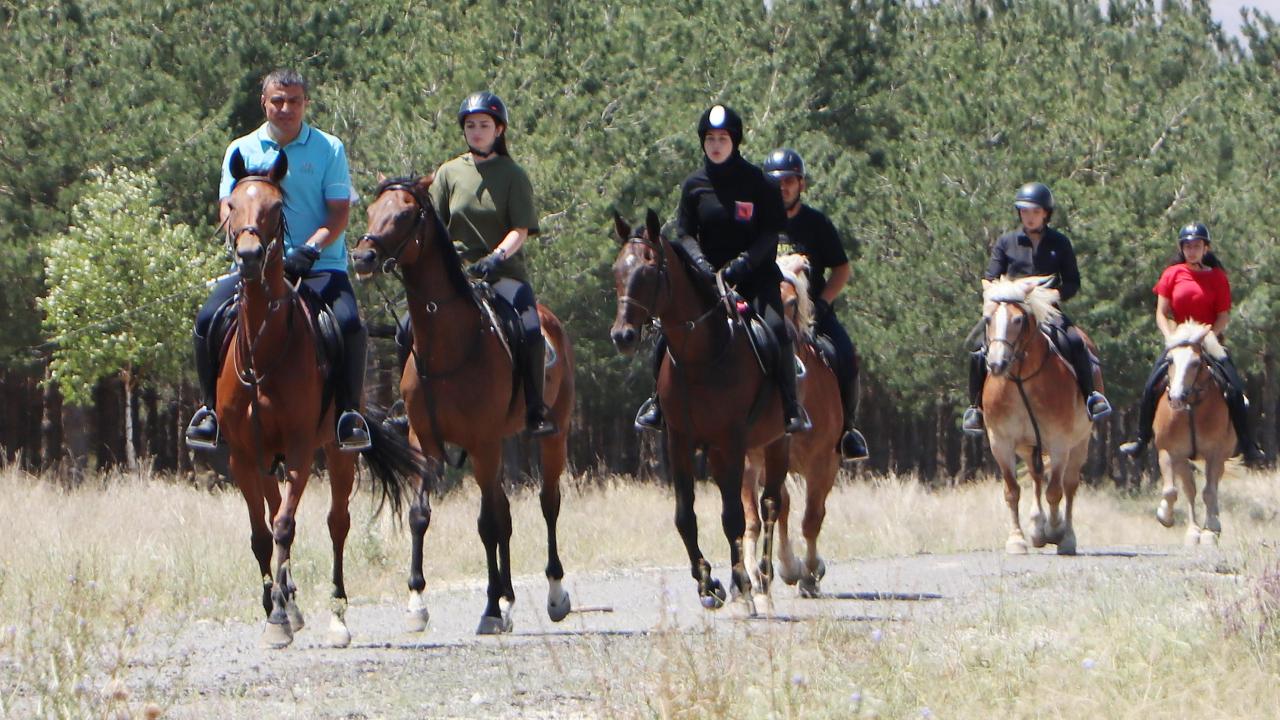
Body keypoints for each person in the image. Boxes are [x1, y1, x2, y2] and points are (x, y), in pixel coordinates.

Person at [186, 68, 370, 451]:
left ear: (305, 103)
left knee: (350, 324)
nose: (287, 108)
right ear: (264, 103)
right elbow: (227, 206)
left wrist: (311, 249)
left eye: (295, 101)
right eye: (278, 101)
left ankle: (349, 415)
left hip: (319, 267)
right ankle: (210, 412)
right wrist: (243, 242)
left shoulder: (329, 148)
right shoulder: (240, 149)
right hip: (256, 267)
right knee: (206, 321)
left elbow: (338, 212)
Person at [634, 105, 811, 435]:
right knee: (665, 334)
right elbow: (684, 233)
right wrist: (700, 263)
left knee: (779, 330)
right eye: (710, 138)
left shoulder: (759, 184)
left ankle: (790, 407)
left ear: (735, 142)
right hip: (704, 282)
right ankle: (657, 403)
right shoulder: (694, 186)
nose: (716, 145)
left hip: (754, 279)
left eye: (722, 138)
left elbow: (770, 232)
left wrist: (743, 263)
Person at [428, 91, 556, 437]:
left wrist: (496, 257)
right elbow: (435, 227)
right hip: (455, 277)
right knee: (409, 326)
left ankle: (535, 407)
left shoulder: (512, 174)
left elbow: (521, 229)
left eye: (484, 125)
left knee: (530, 327)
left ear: (499, 130)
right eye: (471, 126)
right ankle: (409, 404)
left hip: (502, 273)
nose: (477, 131)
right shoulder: (448, 173)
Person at [962, 182, 1112, 435]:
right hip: (1012, 311)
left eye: (1034, 212)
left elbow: (1073, 282)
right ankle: (975, 408)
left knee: (1075, 342)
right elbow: (991, 277)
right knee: (978, 350)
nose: (1029, 217)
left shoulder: (1060, 242)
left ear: (1045, 213)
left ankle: (1091, 398)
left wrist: (1050, 294)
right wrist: (1006, 291)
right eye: (1024, 211)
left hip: (1046, 310)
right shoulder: (1006, 242)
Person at [1118, 223, 1265, 465]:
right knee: (1151, 386)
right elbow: (1161, 312)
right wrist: (1169, 336)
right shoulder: (1172, 274)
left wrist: (1209, 336)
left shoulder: (1218, 277)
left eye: (1197, 246)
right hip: (1179, 340)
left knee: (1235, 389)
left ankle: (1247, 443)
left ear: (1206, 248)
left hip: (1209, 340)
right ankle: (1142, 439)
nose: (1191, 250)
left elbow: (1223, 316)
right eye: (1187, 246)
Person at [763, 147, 869, 461]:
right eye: (776, 182)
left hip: (811, 317)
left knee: (846, 354)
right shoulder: (756, 224)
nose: (782, 187)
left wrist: (823, 303)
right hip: (765, 314)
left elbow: (842, 269)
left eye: (789, 181)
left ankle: (848, 431)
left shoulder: (817, 223)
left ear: (801, 184)